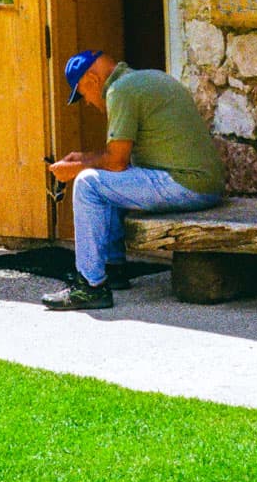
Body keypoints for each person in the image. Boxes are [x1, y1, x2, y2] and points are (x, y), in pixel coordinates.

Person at [42, 49, 226, 311]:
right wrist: (82, 157)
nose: (89, 103)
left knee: (88, 183)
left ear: (92, 80)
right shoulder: (145, 79)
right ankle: (114, 268)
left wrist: (74, 170)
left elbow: (116, 161)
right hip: (206, 184)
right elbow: (119, 161)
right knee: (104, 181)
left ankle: (90, 286)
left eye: (83, 95)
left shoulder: (120, 91)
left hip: (187, 186)